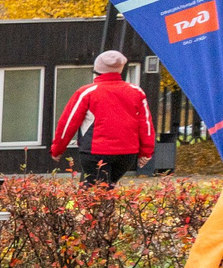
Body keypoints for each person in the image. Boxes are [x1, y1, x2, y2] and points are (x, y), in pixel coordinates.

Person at [53, 50, 155, 185]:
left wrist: (57, 149)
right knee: (106, 189)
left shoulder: (87, 92)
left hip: (95, 151)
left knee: (94, 193)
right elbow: (146, 124)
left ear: (97, 69)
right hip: (127, 153)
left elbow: (68, 123)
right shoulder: (136, 91)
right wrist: (146, 152)